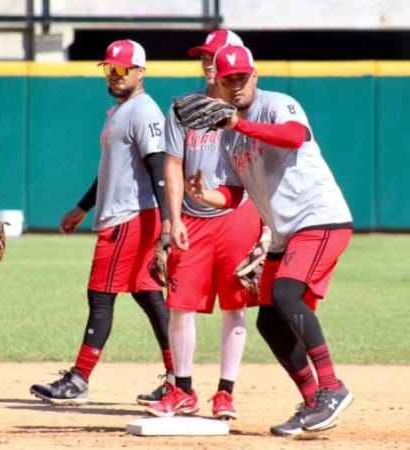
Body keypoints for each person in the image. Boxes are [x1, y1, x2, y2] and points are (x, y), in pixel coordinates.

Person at [184, 44, 355, 436]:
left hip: (320, 219)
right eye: (228, 79)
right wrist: (202, 195)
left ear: (254, 76)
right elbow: (233, 194)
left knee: (286, 294)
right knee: (269, 320)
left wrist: (236, 125)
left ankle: (332, 387)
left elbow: (294, 137)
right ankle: (314, 399)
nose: (236, 85)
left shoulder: (279, 104)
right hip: (285, 233)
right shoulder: (229, 137)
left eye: (242, 77)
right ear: (221, 85)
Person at [29, 39, 174, 406]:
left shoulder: (143, 111)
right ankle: (178, 378)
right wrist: (82, 207)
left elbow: (159, 167)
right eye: (110, 68)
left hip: (131, 217)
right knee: (149, 296)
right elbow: (113, 172)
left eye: (122, 69)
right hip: (129, 213)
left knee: (100, 295)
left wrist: (168, 224)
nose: (114, 75)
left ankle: (79, 379)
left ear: (141, 72)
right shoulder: (121, 111)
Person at [143, 30, 264, 420]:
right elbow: (172, 164)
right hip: (193, 220)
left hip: (237, 216)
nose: (208, 61)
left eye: (215, 55)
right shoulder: (184, 107)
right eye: (204, 56)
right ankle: (183, 390)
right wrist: (174, 218)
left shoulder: (251, 109)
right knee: (180, 306)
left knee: (235, 305)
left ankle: (226, 392)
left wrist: (265, 228)